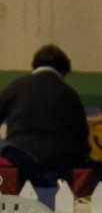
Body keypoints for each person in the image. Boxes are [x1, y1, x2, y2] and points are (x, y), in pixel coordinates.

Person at [0, 44, 91, 184]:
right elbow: (82, 137)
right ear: (64, 71)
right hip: (60, 163)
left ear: (34, 65)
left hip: (20, 160)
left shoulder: (16, 86)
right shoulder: (69, 93)